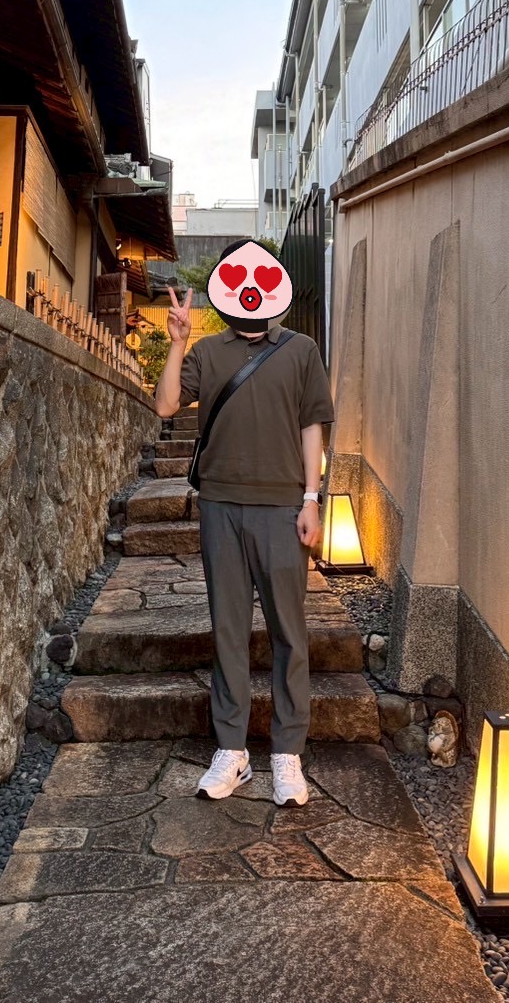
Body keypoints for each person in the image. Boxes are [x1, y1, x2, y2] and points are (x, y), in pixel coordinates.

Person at [153, 240, 334, 807]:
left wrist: (312, 499)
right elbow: (165, 406)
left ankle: (287, 752)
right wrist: (177, 343)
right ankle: (232, 750)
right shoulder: (208, 352)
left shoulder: (301, 350)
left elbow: (312, 426)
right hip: (221, 506)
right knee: (228, 630)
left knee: (289, 633)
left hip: (282, 507)